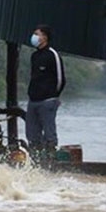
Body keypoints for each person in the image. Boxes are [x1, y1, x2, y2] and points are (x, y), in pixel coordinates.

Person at [26, 24, 66, 161]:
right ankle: (35, 162)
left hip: (47, 101)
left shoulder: (52, 55)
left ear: (45, 37)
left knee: (49, 134)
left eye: (37, 34)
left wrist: (54, 96)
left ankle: (50, 161)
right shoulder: (34, 56)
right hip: (33, 101)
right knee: (32, 135)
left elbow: (61, 79)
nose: (34, 37)